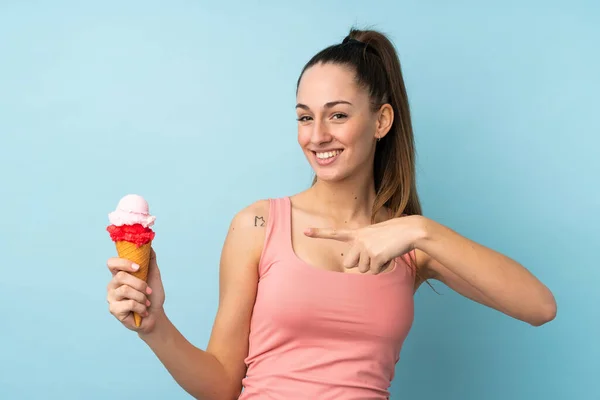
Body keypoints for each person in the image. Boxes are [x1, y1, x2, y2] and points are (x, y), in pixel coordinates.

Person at [105, 28, 557, 400]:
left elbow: (539, 307)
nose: (317, 136)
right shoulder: (258, 225)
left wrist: (419, 229)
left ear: (381, 121)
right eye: (304, 118)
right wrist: (155, 325)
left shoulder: (410, 247)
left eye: (337, 115)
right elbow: (221, 384)